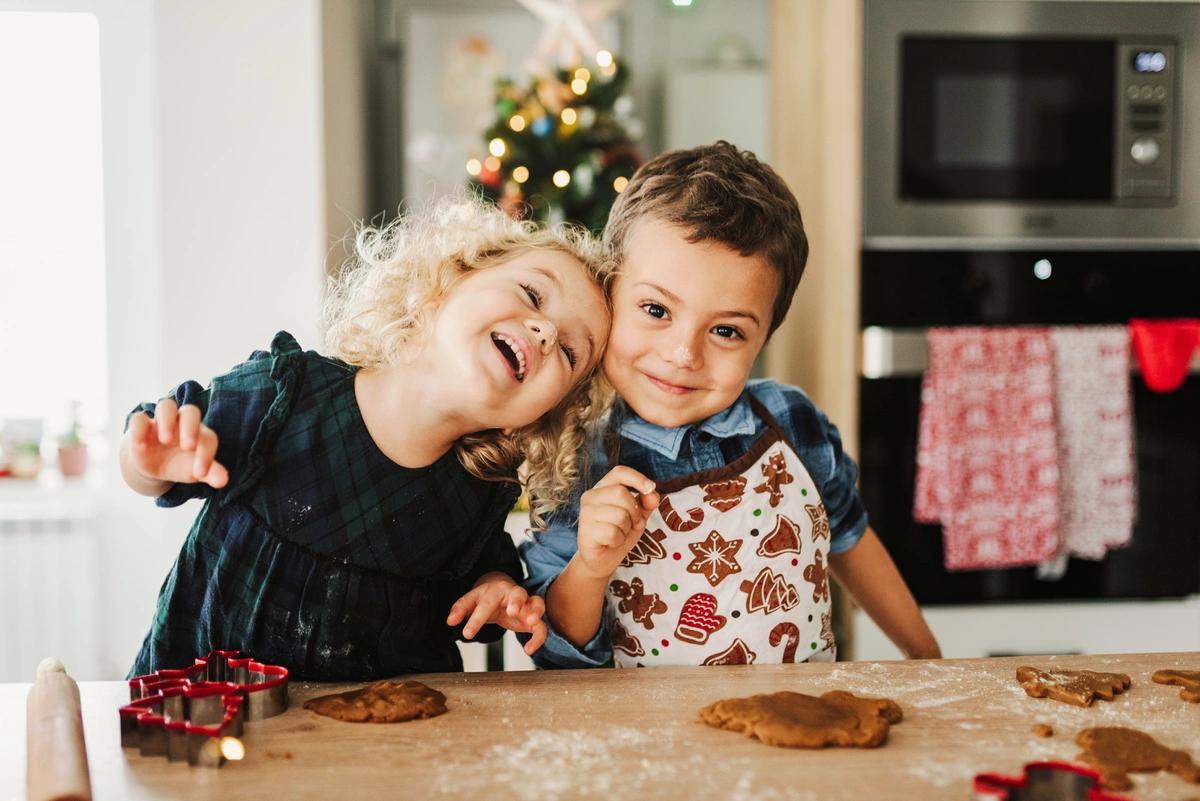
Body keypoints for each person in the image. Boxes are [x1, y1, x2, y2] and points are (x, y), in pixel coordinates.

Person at [120, 198, 613, 680]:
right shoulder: (286, 394)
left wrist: (496, 590)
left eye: (571, 352)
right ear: (448, 279)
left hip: (366, 748)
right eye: (532, 294)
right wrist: (149, 464)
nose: (546, 330)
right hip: (198, 714)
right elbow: (155, 461)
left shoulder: (480, 490)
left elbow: (478, 588)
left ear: (536, 417)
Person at [521, 142, 942, 668]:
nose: (682, 354)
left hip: (806, 722)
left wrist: (927, 657)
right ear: (609, 293)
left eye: (726, 330)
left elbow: (850, 539)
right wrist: (589, 565)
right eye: (656, 309)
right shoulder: (573, 459)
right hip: (655, 744)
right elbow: (556, 653)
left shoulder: (791, 421)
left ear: (765, 335)